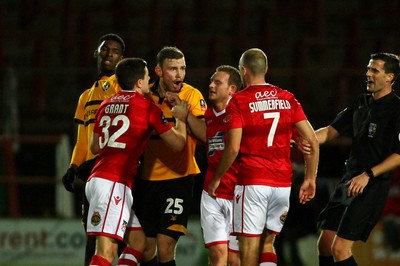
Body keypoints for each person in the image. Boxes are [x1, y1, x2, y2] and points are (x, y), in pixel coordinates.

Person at [208, 48, 320, 266]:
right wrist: (310, 178)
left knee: (248, 248)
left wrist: (217, 178)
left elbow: (232, 148)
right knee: (268, 243)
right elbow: (313, 141)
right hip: (282, 184)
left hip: (253, 182)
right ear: (266, 69)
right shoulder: (287, 98)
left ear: (243, 71)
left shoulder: (239, 101)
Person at [86, 57, 190, 265]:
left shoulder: (106, 104)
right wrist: (181, 118)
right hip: (113, 183)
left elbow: (94, 147)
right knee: (106, 250)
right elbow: (178, 144)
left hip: (101, 179)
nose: (149, 78)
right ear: (139, 82)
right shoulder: (146, 107)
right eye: (147, 75)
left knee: (138, 243)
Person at [312, 53, 400, 266]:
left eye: (374, 70)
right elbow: (330, 132)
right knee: (324, 244)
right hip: (348, 182)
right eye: (368, 69)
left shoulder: (397, 109)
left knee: (340, 248)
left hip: (371, 185)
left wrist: (368, 175)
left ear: (389, 77)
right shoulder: (361, 102)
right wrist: (304, 139)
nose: (368, 74)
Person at [133, 46, 207, 266]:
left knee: (165, 245)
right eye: (173, 69)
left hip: (179, 180)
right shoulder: (145, 96)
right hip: (146, 181)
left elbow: (204, 134)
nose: (179, 75)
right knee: (146, 249)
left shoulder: (191, 94)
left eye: (182, 68)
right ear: (158, 71)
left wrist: (184, 116)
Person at [61, 33, 126, 265]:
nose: (109, 53)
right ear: (96, 53)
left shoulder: (123, 89)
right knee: (93, 234)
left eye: (116, 51)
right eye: (105, 49)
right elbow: (82, 138)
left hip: (116, 170)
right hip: (92, 173)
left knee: (115, 237)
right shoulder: (85, 97)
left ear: (122, 59)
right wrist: (73, 166)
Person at [199, 65, 242, 266]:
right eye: (211, 81)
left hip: (238, 193)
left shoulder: (242, 114)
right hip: (211, 194)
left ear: (232, 89)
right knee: (217, 255)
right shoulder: (207, 116)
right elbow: (202, 135)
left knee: (235, 259)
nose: (211, 85)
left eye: (218, 82)